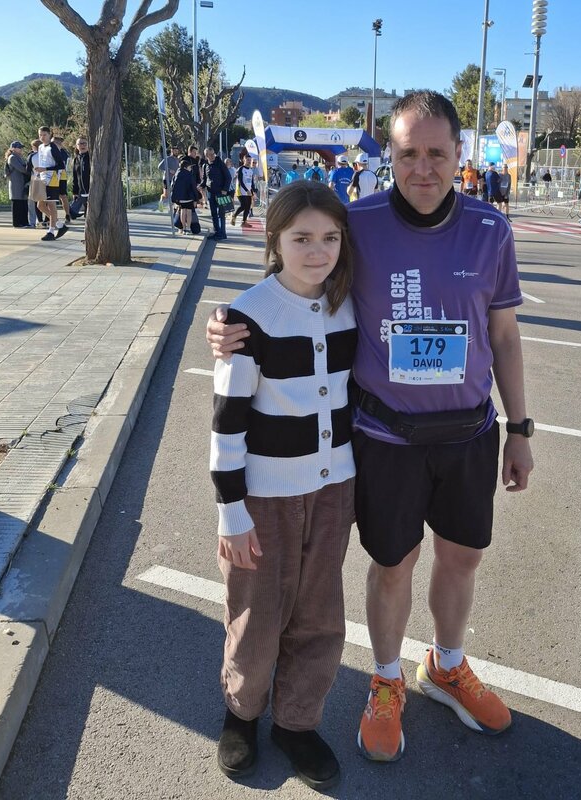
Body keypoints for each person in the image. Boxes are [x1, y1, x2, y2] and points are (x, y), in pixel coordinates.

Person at [206, 89, 533, 765]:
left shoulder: (490, 229)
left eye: (437, 153)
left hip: (469, 434)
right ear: (390, 154)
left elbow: (504, 334)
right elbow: (300, 268)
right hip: (384, 441)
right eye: (408, 153)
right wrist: (232, 322)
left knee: (462, 558)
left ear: (459, 154)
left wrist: (522, 428)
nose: (423, 168)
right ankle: (385, 681)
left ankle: (446, 665)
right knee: (391, 565)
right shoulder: (356, 223)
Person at [211, 181, 355, 789]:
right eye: (301, 238)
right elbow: (227, 423)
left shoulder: (349, 303)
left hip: (335, 488)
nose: (317, 251)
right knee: (256, 609)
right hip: (264, 496)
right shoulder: (248, 316)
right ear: (275, 239)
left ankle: (296, 722)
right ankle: (242, 713)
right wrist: (232, 512)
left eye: (330, 238)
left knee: (319, 613)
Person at [32, 126, 68, 242]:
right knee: (40, 205)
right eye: (40, 135)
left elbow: (61, 165)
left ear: (49, 135)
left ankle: (51, 231)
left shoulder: (53, 147)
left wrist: (45, 169)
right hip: (42, 178)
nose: (42, 137)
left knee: (51, 205)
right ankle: (60, 225)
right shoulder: (40, 147)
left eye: (44, 135)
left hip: (52, 179)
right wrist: (39, 171)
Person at [201, 146, 232, 240]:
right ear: (206, 156)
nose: (212, 156)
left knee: (221, 213)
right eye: (210, 155)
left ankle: (222, 233)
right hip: (210, 193)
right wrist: (201, 186)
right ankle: (217, 232)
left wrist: (225, 189)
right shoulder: (205, 165)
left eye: (213, 154)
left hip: (221, 192)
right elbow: (205, 179)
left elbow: (228, 177)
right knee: (213, 213)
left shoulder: (220, 163)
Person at [170, 156, 199, 234]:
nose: (190, 168)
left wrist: (174, 198)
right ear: (186, 167)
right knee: (189, 212)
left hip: (180, 198)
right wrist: (196, 198)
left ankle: (183, 228)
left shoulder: (177, 174)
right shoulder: (189, 175)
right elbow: (193, 187)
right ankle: (188, 228)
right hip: (189, 197)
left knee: (182, 212)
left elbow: (173, 186)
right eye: (189, 167)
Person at [4, 141, 29, 228]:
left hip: (22, 184)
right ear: (13, 148)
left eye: (21, 147)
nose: (21, 149)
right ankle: (17, 223)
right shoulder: (12, 157)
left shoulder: (19, 157)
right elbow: (22, 169)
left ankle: (24, 222)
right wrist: (30, 171)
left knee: (23, 203)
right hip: (16, 185)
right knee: (17, 204)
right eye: (19, 147)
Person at [230, 154, 257, 226]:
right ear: (244, 160)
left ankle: (244, 222)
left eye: (250, 160)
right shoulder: (241, 169)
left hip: (249, 191)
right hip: (241, 190)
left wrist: (253, 191)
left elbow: (251, 182)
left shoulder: (251, 170)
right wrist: (246, 190)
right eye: (247, 160)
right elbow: (240, 181)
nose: (249, 161)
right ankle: (234, 216)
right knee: (243, 205)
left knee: (248, 206)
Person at [52, 135, 72, 223]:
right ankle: (50, 216)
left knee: (63, 196)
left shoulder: (64, 153)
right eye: (54, 142)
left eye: (58, 142)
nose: (56, 144)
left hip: (61, 176)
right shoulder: (49, 151)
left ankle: (67, 215)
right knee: (51, 197)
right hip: (51, 176)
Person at [71, 137, 90, 219]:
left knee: (90, 212)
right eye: (80, 144)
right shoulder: (76, 159)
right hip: (81, 190)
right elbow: (75, 176)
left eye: (84, 143)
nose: (82, 145)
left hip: (91, 188)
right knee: (73, 210)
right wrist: (74, 191)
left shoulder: (91, 157)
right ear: (76, 146)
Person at [26, 139, 43, 228]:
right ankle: (46, 220)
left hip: (35, 179)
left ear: (34, 147)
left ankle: (36, 221)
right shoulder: (45, 155)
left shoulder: (32, 156)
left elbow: (28, 170)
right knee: (46, 202)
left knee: (34, 202)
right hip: (47, 179)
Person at [158, 146, 180, 210]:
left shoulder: (177, 160)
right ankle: (160, 205)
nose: (176, 152)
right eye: (175, 151)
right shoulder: (168, 158)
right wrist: (169, 170)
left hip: (174, 179)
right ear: (172, 151)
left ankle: (172, 209)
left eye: (177, 151)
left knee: (174, 194)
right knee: (166, 195)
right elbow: (160, 166)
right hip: (167, 179)